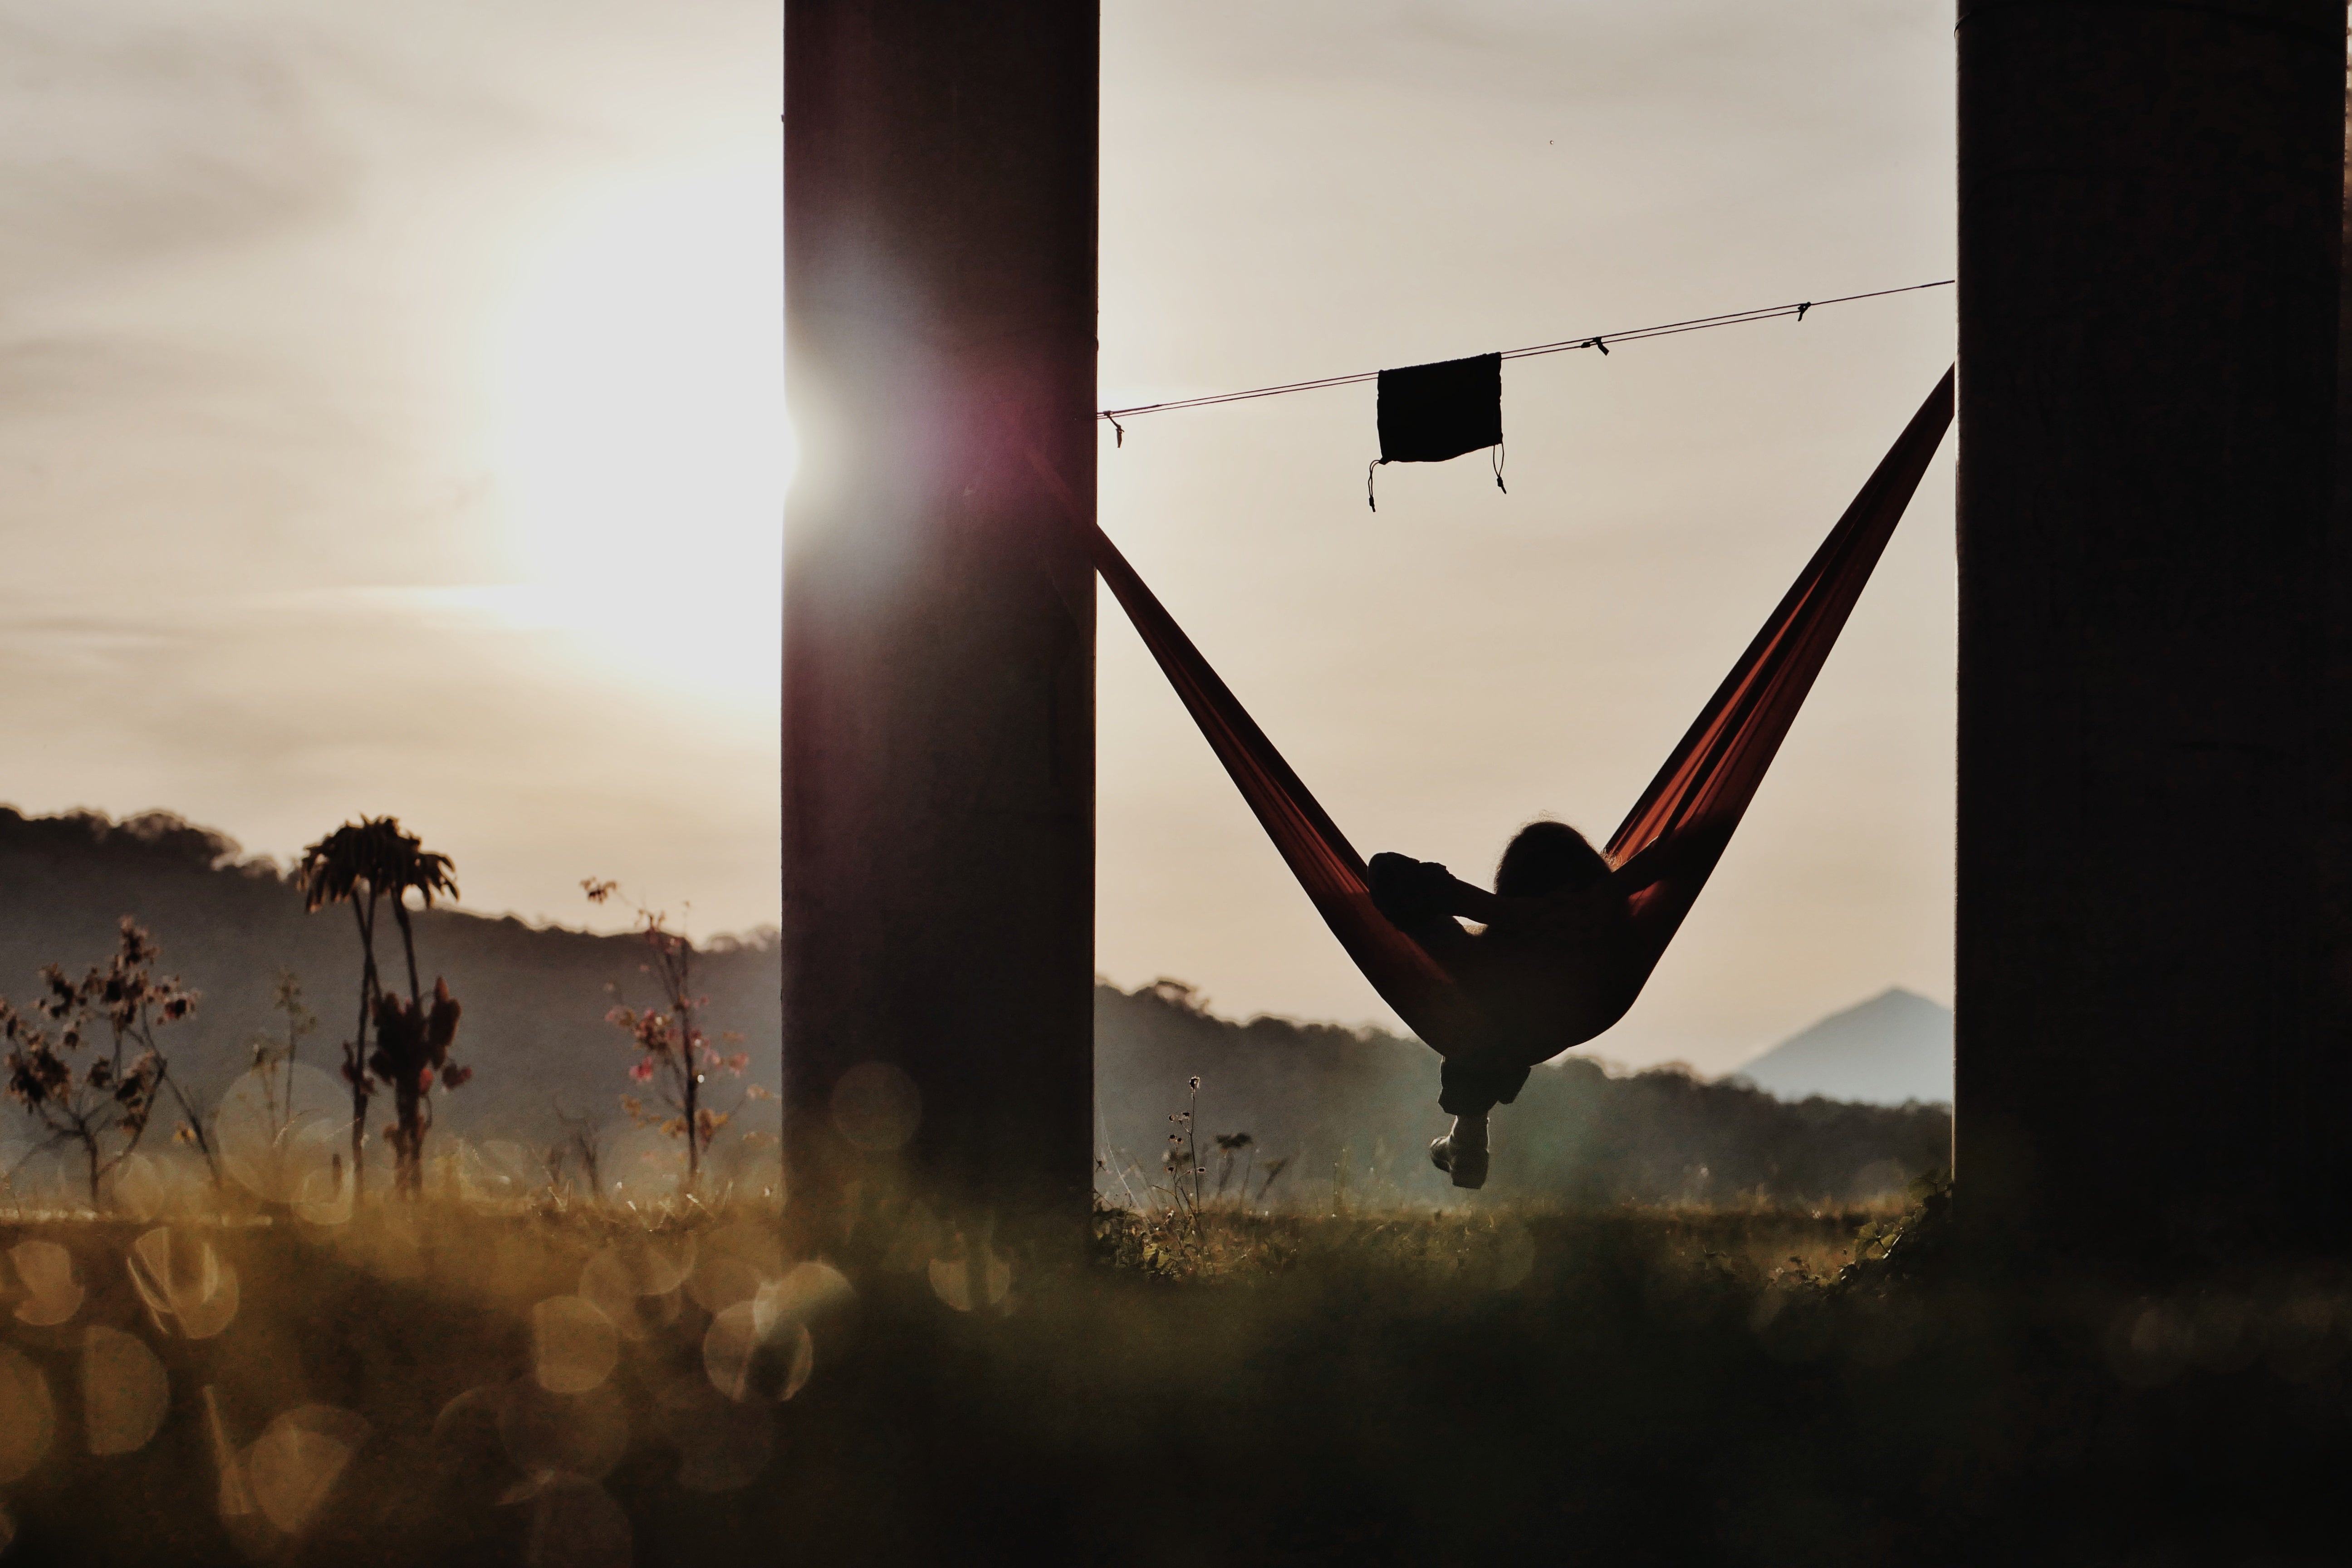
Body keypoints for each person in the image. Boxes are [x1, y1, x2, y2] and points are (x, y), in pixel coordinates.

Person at [1368, 819, 1694, 1190]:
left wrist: (1497, 910)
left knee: (1471, 1011)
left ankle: (1468, 1138)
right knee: (1479, 1017)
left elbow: (1386, 870)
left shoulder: (1484, 963)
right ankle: (1466, 1139)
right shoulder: (1614, 943)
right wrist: (1591, 901)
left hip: (1503, 996)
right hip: (1575, 1008)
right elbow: (1683, 845)